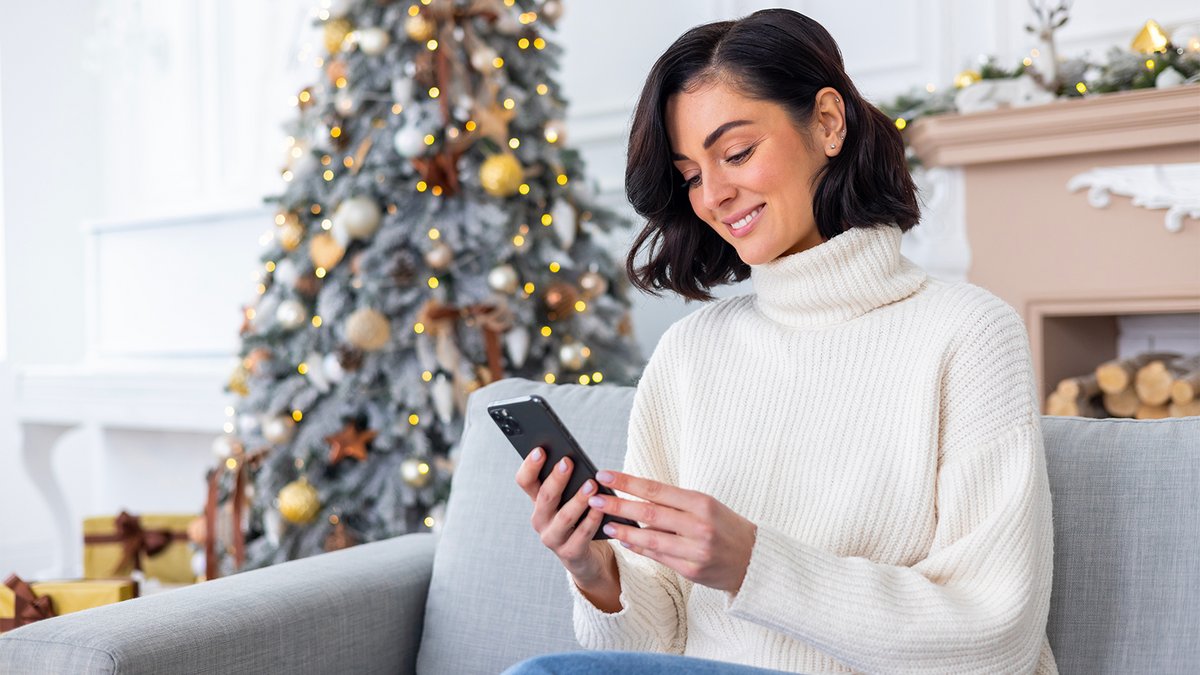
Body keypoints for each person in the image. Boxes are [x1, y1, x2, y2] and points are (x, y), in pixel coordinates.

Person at [506, 8, 1057, 674]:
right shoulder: (690, 354)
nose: (713, 194)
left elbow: (995, 637)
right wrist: (597, 573)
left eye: (736, 153)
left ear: (827, 122)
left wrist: (752, 562)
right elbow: (651, 651)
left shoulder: (968, 333)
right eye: (690, 173)